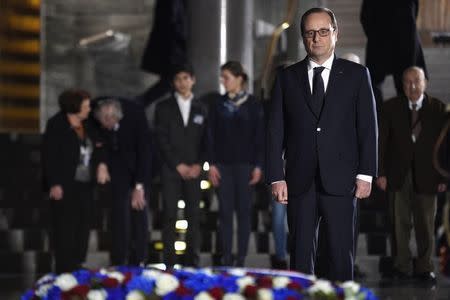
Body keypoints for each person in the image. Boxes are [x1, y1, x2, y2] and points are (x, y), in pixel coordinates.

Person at [266, 7, 378, 281]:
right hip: (299, 180)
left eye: (323, 31)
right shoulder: (286, 77)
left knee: (341, 254)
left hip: (342, 180)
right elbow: (274, 131)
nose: (317, 38)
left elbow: (367, 127)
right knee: (301, 253)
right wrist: (275, 177)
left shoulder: (357, 75)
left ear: (335, 34)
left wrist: (366, 174)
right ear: (304, 38)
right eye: (310, 33)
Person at [376, 66, 447, 284]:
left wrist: (444, 177)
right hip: (397, 175)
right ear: (402, 84)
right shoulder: (391, 107)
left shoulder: (439, 109)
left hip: (429, 176)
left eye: (417, 81)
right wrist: (380, 173)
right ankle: (401, 266)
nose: (412, 86)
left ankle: (425, 267)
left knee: (426, 224)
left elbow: (446, 147)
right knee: (399, 224)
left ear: (425, 82)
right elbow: (382, 143)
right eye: (407, 82)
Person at [208, 61, 264, 267]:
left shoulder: (254, 104)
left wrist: (259, 165)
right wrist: (211, 164)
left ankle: (240, 258)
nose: (223, 82)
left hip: (246, 166)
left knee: (243, 212)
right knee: (224, 212)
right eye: (222, 77)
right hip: (223, 166)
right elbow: (210, 136)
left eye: (226, 77)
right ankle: (226, 257)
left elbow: (260, 138)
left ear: (239, 78)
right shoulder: (217, 104)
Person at [154, 65, 209, 267]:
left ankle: (192, 264)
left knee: (193, 217)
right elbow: (160, 139)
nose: (182, 82)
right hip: (171, 170)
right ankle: (169, 263)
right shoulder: (163, 107)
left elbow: (207, 140)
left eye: (186, 78)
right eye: (178, 79)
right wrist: (177, 164)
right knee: (169, 215)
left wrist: (198, 165)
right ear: (173, 82)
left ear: (192, 80)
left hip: (195, 171)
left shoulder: (202, 107)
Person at [43, 89, 99, 273]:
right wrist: (54, 183)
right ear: (75, 106)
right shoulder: (57, 124)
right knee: (65, 229)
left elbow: (99, 146)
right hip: (65, 185)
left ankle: (78, 265)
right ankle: (64, 270)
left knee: (83, 227)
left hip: (85, 185)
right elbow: (49, 156)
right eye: (86, 106)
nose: (89, 109)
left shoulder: (88, 125)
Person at [93, 97, 151, 266]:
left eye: (106, 121)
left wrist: (139, 186)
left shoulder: (136, 117)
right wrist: (102, 164)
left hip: (139, 166)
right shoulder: (97, 119)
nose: (103, 125)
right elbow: (100, 143)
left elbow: (145, 153)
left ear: (115, 117)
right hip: (117, 170)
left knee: (139, 208)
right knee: (119, 214)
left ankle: (140, 258)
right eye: (101, 120)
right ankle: (119, 260)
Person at [360, 0, 427, 108]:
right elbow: (414, 12)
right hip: (405, 39)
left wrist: (374, 36)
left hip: (380, 39)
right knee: (405, 84)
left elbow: (365, 17)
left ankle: (379, 119)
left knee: (374, 84)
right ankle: (404, 119)